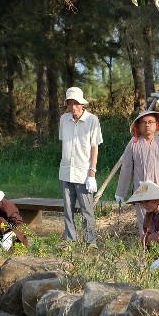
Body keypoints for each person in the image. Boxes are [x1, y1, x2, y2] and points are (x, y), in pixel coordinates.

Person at [115, 110, 159, 234]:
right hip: (142, 191)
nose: (147, 125)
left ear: (157, 124)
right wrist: (121, 192)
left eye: (150, 122)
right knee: (145, 224)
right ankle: (147, 245)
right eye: (144, 122)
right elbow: (126, 168)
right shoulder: (133, 144)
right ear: (138, 126)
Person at [59, 86, 102, 246]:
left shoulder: (92, 120)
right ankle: (70, 241)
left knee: (87, 210)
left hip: (84, 173)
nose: (73, 107)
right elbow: (64, 142)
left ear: (82, 104)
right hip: (66, 171)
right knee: (68, 210)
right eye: (70, 103)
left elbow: (94, 147)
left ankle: (90, 242)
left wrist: (92, 172)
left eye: (76, 103)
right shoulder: (64, 119)